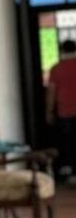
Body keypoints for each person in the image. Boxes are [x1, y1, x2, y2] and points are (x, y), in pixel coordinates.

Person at [47, 38, 76, 181]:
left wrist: (49, 111)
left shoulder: (56, 68)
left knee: (69, 142)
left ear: (62, 50)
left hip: (65, 111)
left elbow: (51, 92)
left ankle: (71, 172)